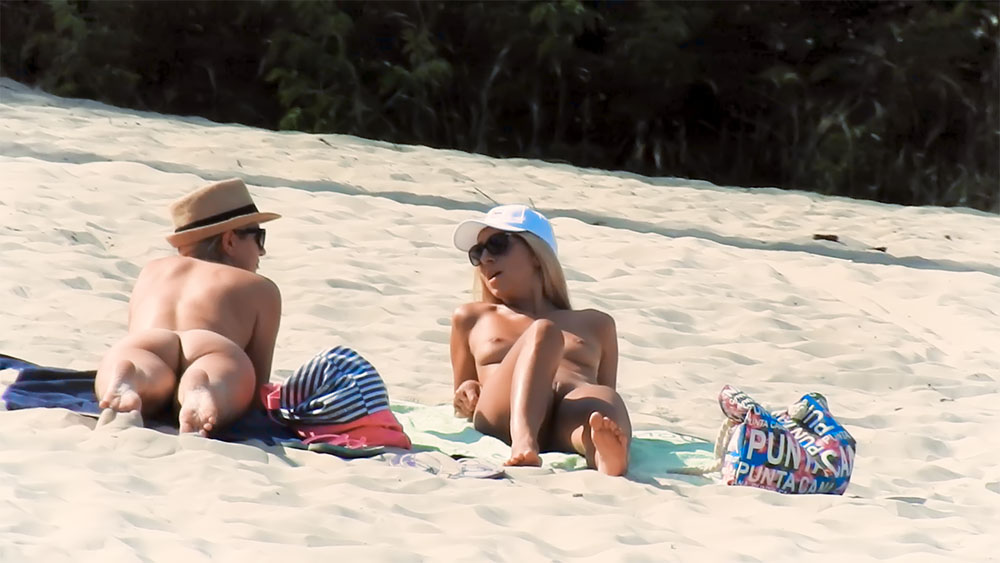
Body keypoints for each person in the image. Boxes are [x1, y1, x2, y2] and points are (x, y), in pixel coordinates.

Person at [449, 204, 632, 476]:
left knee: (603, 402)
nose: (485, 258)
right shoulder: (472, 317)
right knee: (543, 332)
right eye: (478, 253)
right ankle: (524, 440)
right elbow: (462, 389)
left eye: (497, 245)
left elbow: (605, 388)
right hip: (505, 413)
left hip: (566, 414)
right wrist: (467, 390)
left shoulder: (597, 323)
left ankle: (602, 453)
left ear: (536, 254)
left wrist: (602, 413)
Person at [95, 178, 282, 436]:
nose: (261, 252)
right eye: (258, 238)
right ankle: (202, 387)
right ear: (229, 241)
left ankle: (131, 377)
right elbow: (258, 387)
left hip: (147, 342)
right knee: (221, 380)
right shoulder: (260, 287)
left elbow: (134, 329)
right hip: (213, 346)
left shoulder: (153, 269)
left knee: (141, 363)